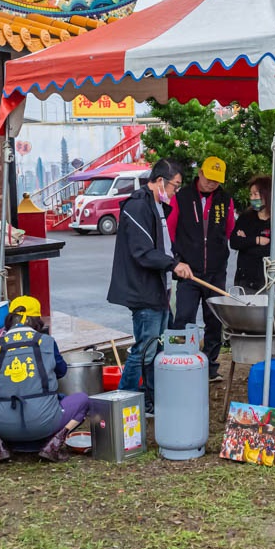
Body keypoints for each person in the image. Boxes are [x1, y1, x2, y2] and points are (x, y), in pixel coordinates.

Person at [107, 158, 193, 412]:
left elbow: (164, 247)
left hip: (160, 290)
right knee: (143, 349)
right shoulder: (137, 207)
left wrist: (176, 262)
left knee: (158, 348)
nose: (175, 191)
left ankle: (151, 400)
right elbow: (142, 252)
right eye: (175, 186)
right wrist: (172, 264)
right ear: (159, 181)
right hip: (144, 291)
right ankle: (124, 402)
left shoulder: (157, 207)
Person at [0, 296, 89, 463]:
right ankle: (53, 444)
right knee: (83, 400)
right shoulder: (47, 342)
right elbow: (62, 371)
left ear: (10, 319)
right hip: (45, 423)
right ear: (36, 320)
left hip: (4, 426)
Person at [166, 157, 235, 383]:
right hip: (188, 271)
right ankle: (180, 361)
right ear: (200, 174)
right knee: (183, 317)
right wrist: (178, 259)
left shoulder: (225, 200)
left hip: (215, 271)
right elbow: (171, 229)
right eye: (209, 178)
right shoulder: (182, 197)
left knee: (214, 320)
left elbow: (228, 230)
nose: (211, 183)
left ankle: (210, 366)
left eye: (217, 180)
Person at [230, 175, 275, 293]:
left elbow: (274, 249)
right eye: (251, 194)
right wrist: (257, 240)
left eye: (256, 194)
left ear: (267, 195)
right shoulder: (245, 217)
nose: (252, 198)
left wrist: (246, 245)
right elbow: (234, 242)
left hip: (270, 281)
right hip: (245, 281)